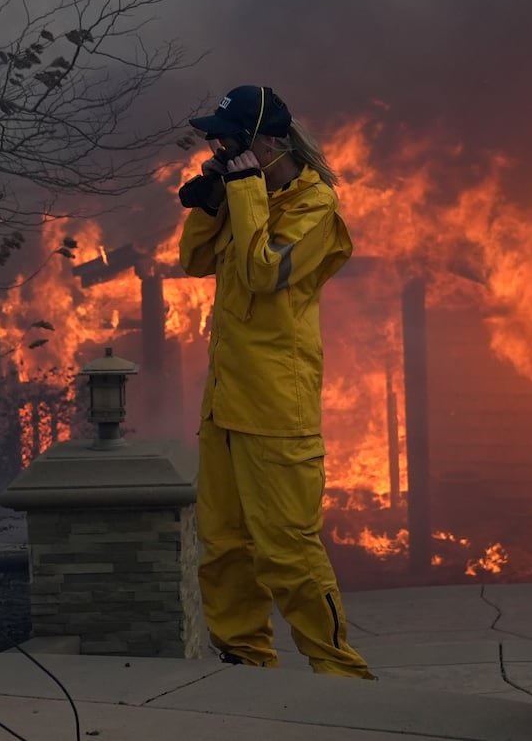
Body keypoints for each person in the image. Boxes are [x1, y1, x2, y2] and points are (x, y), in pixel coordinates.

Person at [178, 85, 374, 679]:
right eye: (213, 139)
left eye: (228, 140)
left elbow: (265, 272)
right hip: (226, 404)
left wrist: (240, 193)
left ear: (267, 143)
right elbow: (194, 263)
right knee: (223, 547)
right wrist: (211, 205)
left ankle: (339, 672)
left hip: (275, 408)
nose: (217, 148)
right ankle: (245, 661)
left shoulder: (317, 209)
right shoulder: (247, 195)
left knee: (287, 551)